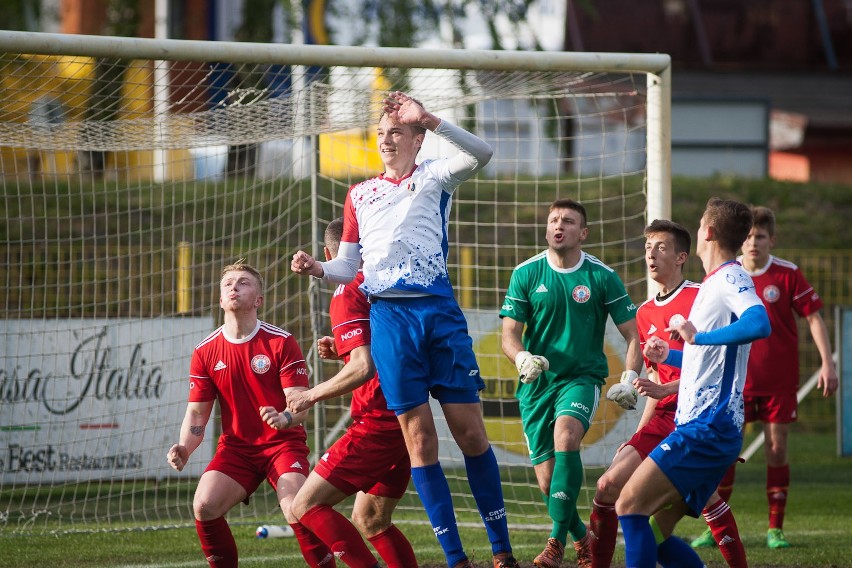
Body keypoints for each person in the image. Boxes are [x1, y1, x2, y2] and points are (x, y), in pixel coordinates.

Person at [291, 91, 520, 568]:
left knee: (471, 435)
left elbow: (482, 153)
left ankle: (502, 552)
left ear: (417, 139)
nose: (386, 140)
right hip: (390, 319)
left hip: (437, 313)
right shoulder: (359, 194)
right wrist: (319, 268)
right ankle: (457, 559)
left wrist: (431, 118)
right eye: (380, 133)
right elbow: (348, 265)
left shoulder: (436, 175)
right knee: (420, 442)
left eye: (396, 131)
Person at [616, 197, 771, 568]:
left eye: (701, 222)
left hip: (708, 427)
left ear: (708, 232)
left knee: (628, 505)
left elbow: (759, 322)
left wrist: (696, 336)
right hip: (706, 428)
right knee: (656, 530)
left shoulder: (730, 276)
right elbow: (706, 360)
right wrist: (666, 357)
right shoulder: (712, 285)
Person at [589, 219, 747, 568]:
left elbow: (714, 366)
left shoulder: (701, 296)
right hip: (663, 418)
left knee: (692, 504)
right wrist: (638, 434)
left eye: (660, 247)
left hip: (699, 416)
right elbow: (656, 378)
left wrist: (665, 388)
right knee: (608, 487)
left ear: (681, 257)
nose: (651, 254)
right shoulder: (644, 312)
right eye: (647, 248)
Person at [499, 198, 643, 568]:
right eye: (553, 220)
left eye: (568, 221)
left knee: (567, 438)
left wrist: (629, 377)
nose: (558, 226)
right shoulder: (526, 273)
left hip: (581, 379)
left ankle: (555, 544)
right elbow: (508, 336)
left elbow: (632, 335)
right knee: (549, 485)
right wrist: (522, 358)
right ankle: (583, 539)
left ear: (584, 232)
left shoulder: (601, 276)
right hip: (536, 384)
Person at [166, 262, 335, 568]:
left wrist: (284, 418)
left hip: (282, 445)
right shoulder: (205, 351)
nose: (234, 286)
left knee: (296, 508)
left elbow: (301, 407)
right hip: (237, 449)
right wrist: (184, 448)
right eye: (228, 283)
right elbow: (197, 413)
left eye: (243, 282)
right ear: (220, 300)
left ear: (258, 299)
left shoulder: (280, 341)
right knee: (204, 505)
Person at [691, 205, 839, 550]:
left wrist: (827, 364)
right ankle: (714, 528)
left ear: (771, 239)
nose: (753, 243)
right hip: (735, 383)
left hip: (777, 382)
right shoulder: (728, 275)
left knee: (776, 448)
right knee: (725, 452)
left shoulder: (787, 274)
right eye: (749, 236)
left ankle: (775, 528)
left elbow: (814, 318)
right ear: (740, 240)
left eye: (760, 236)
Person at [287, 218, 417, 568]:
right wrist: (345, 348)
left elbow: (363, 369)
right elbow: (384, 348)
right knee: (372, 519)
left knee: (304, 506)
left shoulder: (348, 292)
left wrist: (309, 395)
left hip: (377, 423)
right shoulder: (395, 281)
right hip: (408, 418)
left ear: (330, 255)